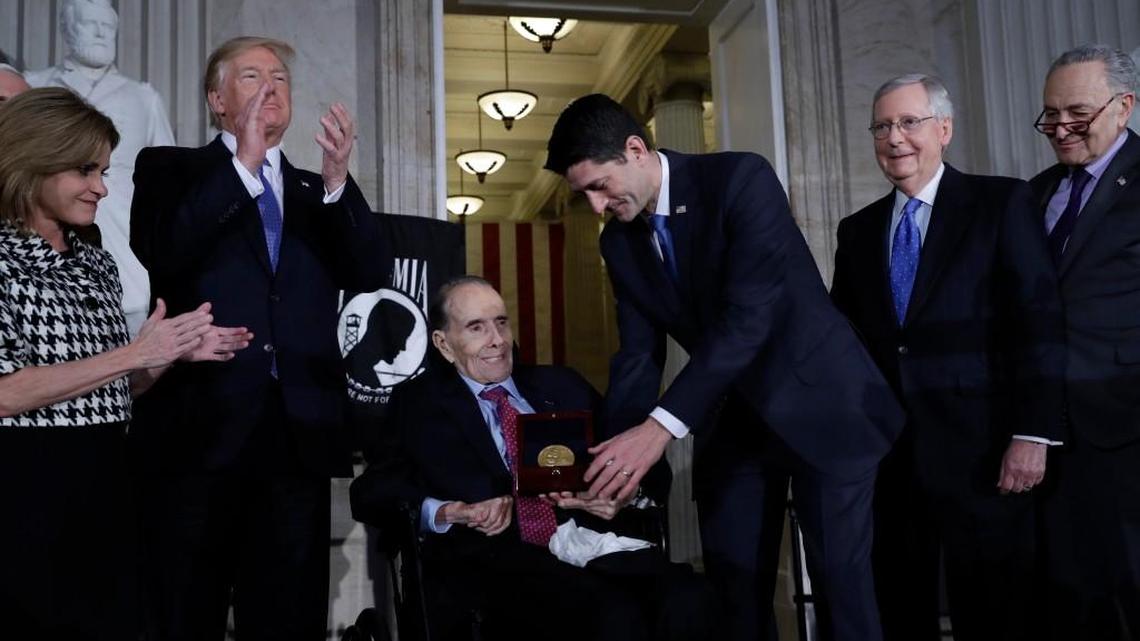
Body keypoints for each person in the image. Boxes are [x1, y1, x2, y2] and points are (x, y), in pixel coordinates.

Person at [544, 93, 905, 641]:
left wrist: (660, 429)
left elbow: (748, 322)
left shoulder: (740, 179)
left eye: (599, 186)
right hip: (733, 418)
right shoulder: (618, 243)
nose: (596, 206)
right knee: (732, 593)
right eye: (583, 194)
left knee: (841, 588)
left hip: (825, 404)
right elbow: (638, 356)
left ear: (635, 150)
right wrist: (617, 467)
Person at [128, 36, 386, 641]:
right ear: (217, 99)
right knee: (185, 612)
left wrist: (338, 180)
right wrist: (242, 167)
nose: (270, 86)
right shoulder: (169, 169)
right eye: (251, 76)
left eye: (280, 78)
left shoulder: (311, 190)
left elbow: (370, 274)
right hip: (200, 431)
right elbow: (165, 248)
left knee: (288, 618)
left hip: (295, 438)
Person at [0, 87, 247, 639]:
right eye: (85, 170)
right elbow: (5, 393)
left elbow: (114, 386)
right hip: (26, 491)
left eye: (104, 170)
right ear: (32, 159)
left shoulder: (95, 262)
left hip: (112, 481)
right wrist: (134, 352)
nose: (101, 188)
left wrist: (166, 357)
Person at [349, 276, 717, 641]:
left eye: (501, 323)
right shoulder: (417, 407)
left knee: (691, 598)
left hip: (589, 544)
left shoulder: (562, 386)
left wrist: (622, 492)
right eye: (476, 328)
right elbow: (371, 493)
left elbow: (639, 463)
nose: (497, 340)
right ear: (443, 344)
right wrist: (447, 512)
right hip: (492, 565)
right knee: (611, 616)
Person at [829, 74, 1064, 641]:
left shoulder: (1001, 201)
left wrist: (1033, 432)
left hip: (986, 453)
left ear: (944, 129)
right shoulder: (856, 231)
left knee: (994, 611)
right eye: (882, 126)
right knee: (901, 606)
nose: (895, 138)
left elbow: (1037, 319)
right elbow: (845, 344)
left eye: (909, 122)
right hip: (891, 461)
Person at [1027, 43, 1139, 641]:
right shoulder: (1038, 190)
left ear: (1124, 107)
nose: (1060, 127)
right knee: (1072, 597)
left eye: (1077, 113)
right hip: (1052, 432)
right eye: (1050, 114)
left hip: (1129, 424)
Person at [27, 0, 176, 336]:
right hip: (47, 238)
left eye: (107, 27)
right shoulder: (34, 85)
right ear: (66, 29)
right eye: (89, 24)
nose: (100, 33)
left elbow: (167, 182)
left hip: (125, 240)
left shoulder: (143, 97)